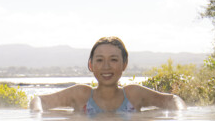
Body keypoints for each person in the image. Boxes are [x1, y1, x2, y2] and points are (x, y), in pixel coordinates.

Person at [29, 36, 185, 113]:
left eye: (114, 60)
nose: (106, 66)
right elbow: (39, 100)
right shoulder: (80, 95)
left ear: (124, 64)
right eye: (99, 60)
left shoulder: (133, 95)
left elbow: (172, 100)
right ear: (91, 65)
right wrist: (37, 116)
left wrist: (181, 117)